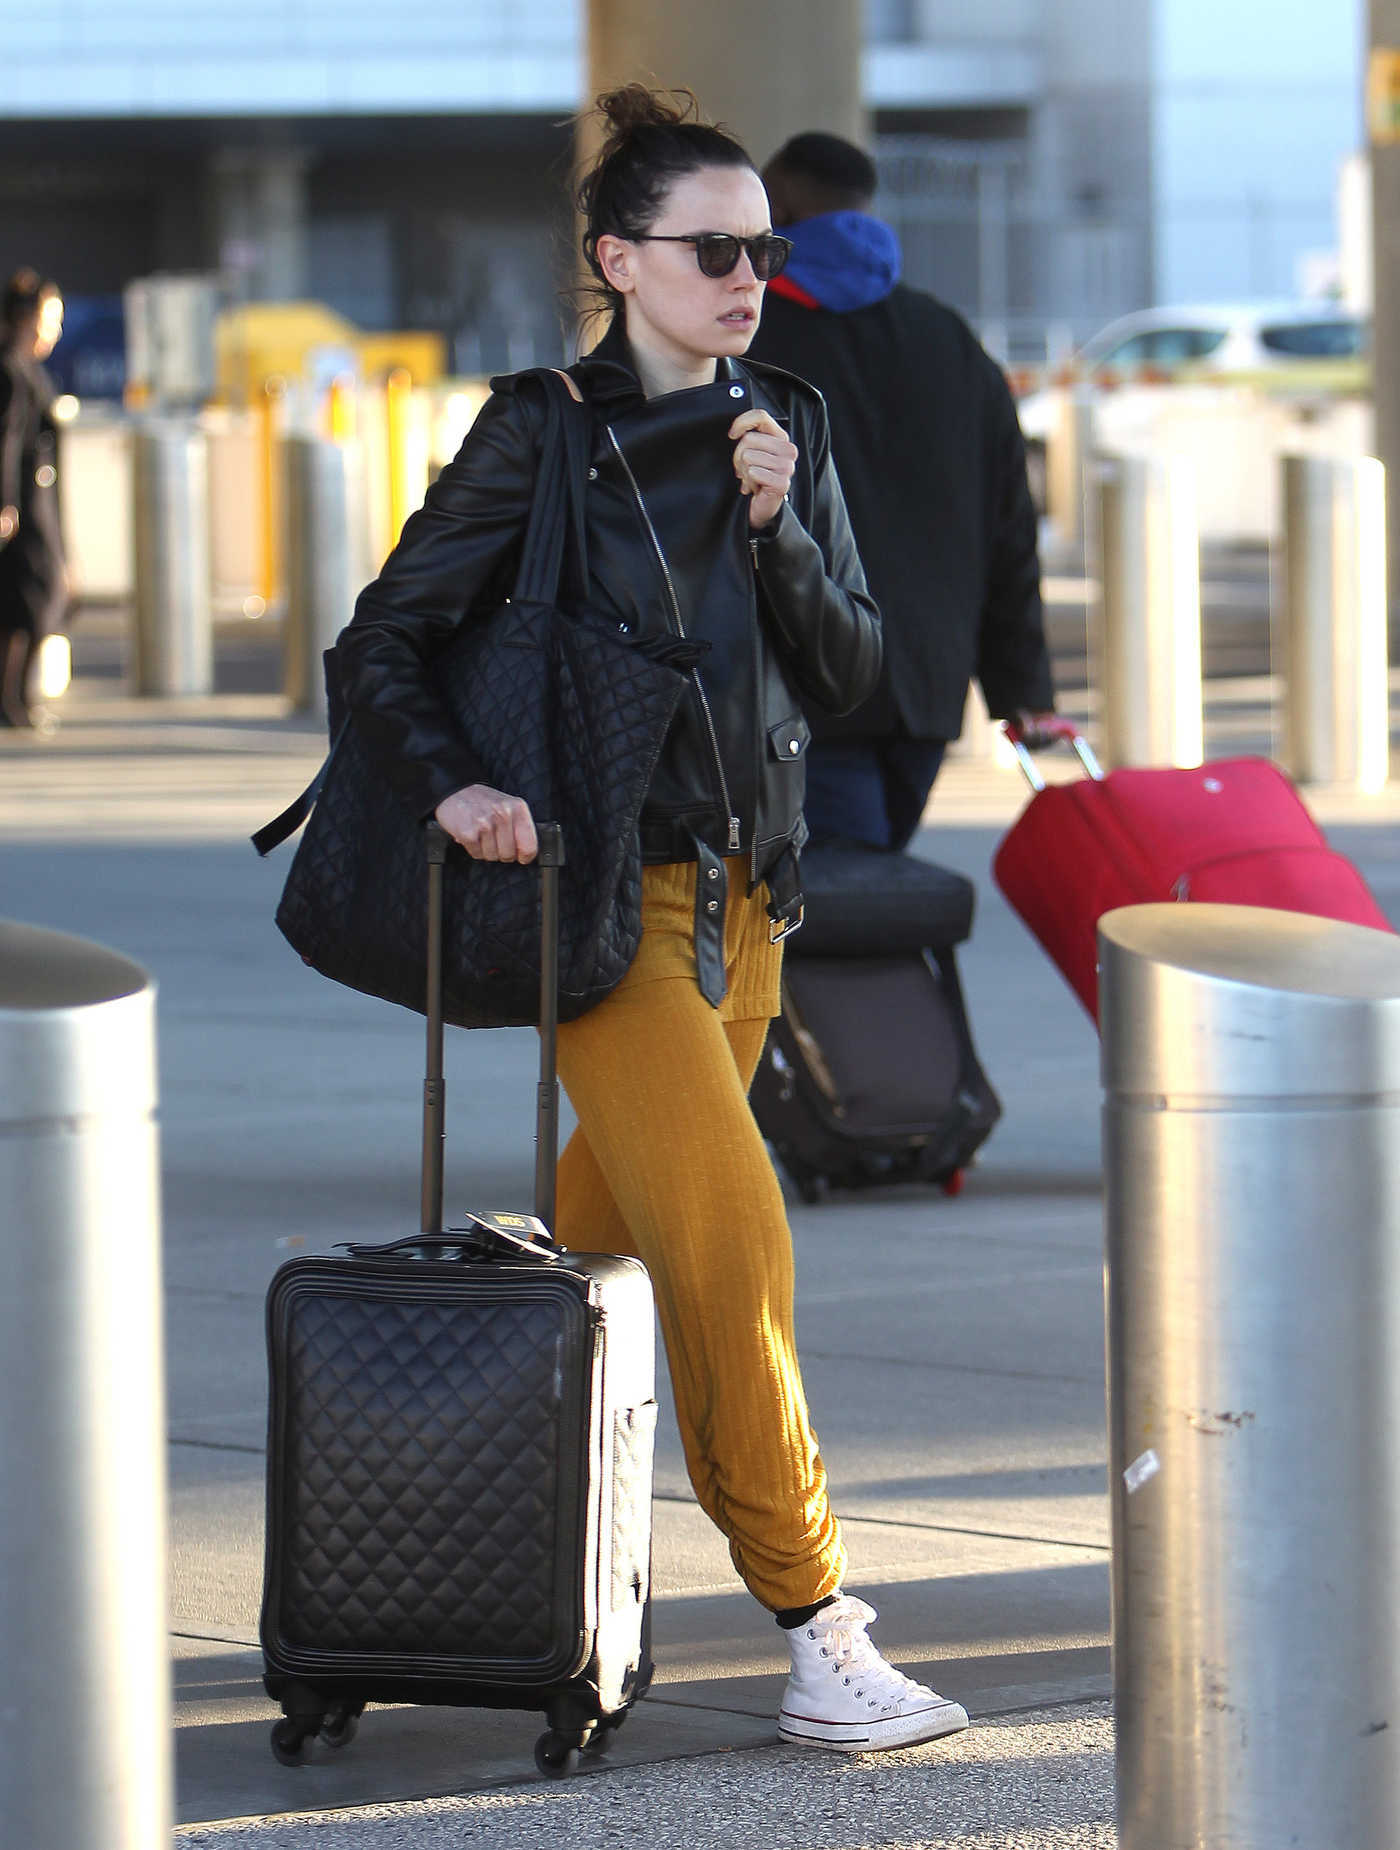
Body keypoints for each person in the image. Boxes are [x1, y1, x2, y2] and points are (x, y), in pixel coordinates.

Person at [335, 85, 971, 1754]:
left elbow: (857, 680)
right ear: (620, 260)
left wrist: (781, 534)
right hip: (598, 906)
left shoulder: (790, 422)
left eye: (764, 251)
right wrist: (459, 790)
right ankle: (818, 1619)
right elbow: (380, 644)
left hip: (753, 903)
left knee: (603, 1248)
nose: (747, 278)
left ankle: (506, 1568)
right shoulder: (540, 431)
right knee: (733, 1234)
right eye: (712, 251)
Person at [746, 132, 1055, 851]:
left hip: (804, 689)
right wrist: (1023, 693)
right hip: (924, 692)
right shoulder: (948, 338)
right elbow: (1010, 527)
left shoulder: (747, 342)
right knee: (870, 893)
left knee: (829, 928)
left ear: (779, 208)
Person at [0, 269, 67, 730]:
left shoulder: (28, 370)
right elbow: (5, 442)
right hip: (22, 506)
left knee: (36, 599)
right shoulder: (9, 371)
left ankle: (18, 699)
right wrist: (5, 503)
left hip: (36, 501)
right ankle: (11, 701)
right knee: (23, 600)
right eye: (50, 320)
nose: (55, 331)